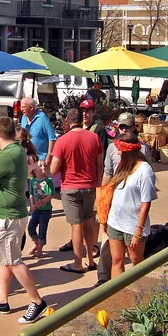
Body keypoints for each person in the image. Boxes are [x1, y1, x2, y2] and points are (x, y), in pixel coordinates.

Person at [0, 117, 48, 323]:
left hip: (6, 217)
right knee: (4, 260)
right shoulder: (16, 150)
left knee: (12, 261)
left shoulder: (6, 155)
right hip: (8, 215)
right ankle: (2, 301)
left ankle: (37, 301)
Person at [50, 108, 102, 274]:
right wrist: (97, 182)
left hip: (71, 187)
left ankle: (78, 263)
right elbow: (99, 163)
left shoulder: (63, 140)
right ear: (81, 119)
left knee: (76, 225)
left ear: (67, 121)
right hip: (89, 186)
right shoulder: (93, 137)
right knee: (88, 222)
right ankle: (91, 259)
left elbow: (53, 169)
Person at [104, 131, 155, 278]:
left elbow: (146, 204)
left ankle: (139, 290)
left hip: (133, 226)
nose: (118, 153)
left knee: (136, 261)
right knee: (116, 260)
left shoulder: (145, 171)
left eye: (120, 150)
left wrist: (138, 232)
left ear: (128, 151)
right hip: (115, 221)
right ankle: (117, 290)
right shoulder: (122, 166)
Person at [19, 97, 57, 169]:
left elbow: (52, 138)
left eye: (23, 107)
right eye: (21, 107)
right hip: (27, 158)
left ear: (31, 108)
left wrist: (49, 156)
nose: (21, 109)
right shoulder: (24, 118)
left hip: (41, 160)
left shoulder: (42, 118)